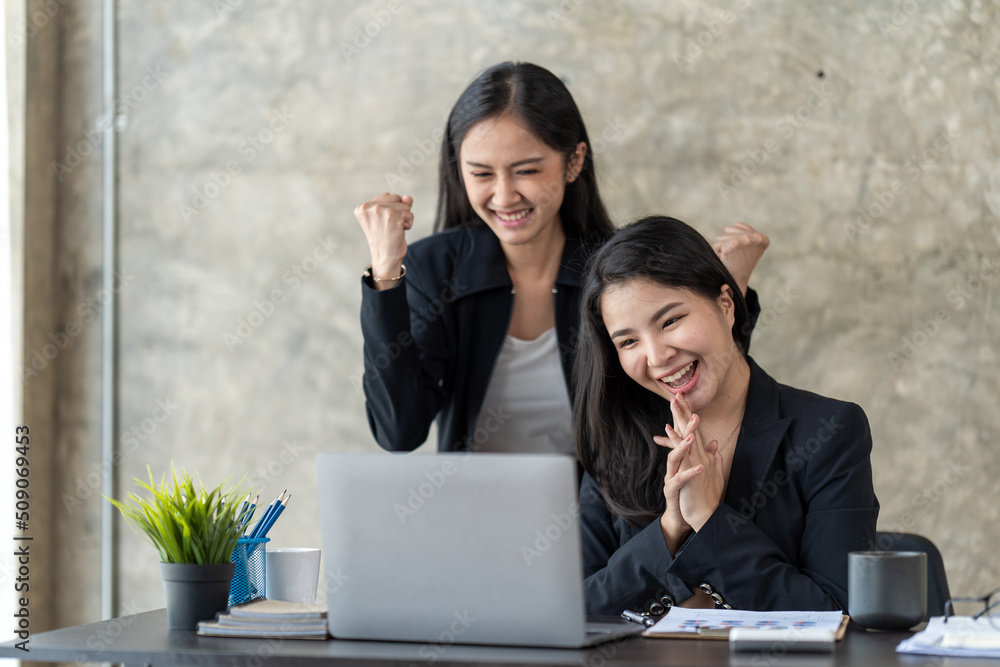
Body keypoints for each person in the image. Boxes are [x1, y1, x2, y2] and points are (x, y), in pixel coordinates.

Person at [355, 62, 769, 454]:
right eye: (481, 174)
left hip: (602, 519)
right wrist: (386, 277)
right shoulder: (434, 269)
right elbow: (399, 431)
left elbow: (688, 399)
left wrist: (731, 293)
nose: (503, 196)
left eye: (527, 171)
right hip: (472, 514)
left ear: (574, 162)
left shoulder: (617, 276)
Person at [573, 216, 878, 615]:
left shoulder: (829, 431)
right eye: (628, 341)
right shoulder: (615, 441)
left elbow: (836, 612)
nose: (656, 356)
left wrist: (709, 519)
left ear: (726, 304)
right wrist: (670, 529)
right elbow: (573, 612)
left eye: (671, 321)